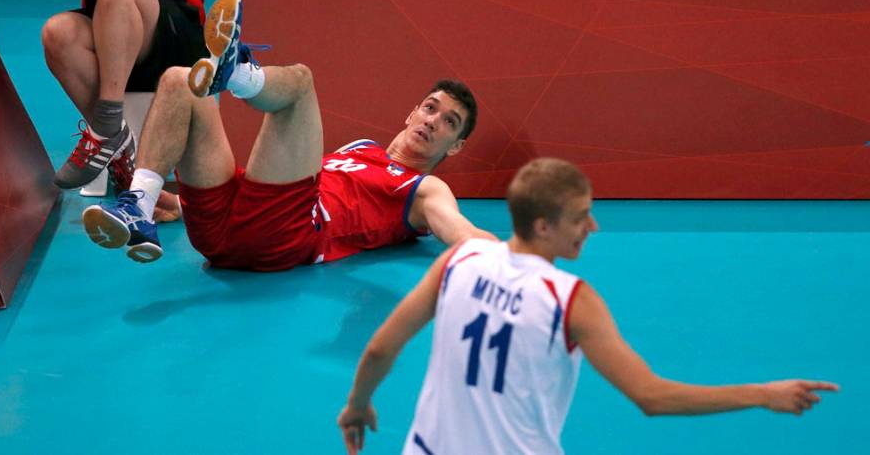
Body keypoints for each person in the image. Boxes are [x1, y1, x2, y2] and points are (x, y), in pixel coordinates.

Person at [337, 158, 839, 455]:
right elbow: (652, 397)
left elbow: (381, 348)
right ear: (542, 226)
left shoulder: (458, 260)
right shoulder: (570, 301)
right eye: (580, 218)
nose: (592, 227)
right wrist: (761, 394)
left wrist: (357, 405)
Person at [80, 0, 496, 267]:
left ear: (455, 147)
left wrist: (522, 262)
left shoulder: (424, 189)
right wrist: (183, 206)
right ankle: (139, 204)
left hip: (288, 235)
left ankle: (237, 75)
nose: (431, 121)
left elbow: (461, 232)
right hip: (220, 232)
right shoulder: (360, 148)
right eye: (430, 108)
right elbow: (284, 175)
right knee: (176, 79)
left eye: (448, 123)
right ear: (411, 113)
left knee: (300, 83)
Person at [2, 0, 214, 189]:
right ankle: (118, 144)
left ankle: (106, 121)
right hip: (110, 41)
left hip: (175, 40)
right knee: (58, 33)